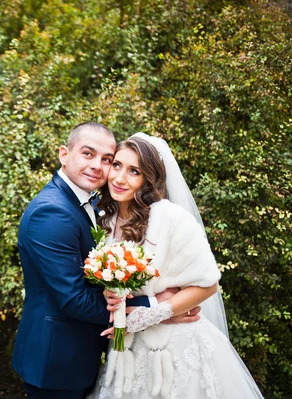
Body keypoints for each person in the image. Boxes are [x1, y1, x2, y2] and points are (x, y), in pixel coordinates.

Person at [12, 123, 199, 399]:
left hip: (80, 357)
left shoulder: (96, 206)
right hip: (56, 362)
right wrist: (158, 309)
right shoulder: (52, 212)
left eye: (107, 159)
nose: (97, 166)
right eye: (87, 153)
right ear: (64, 154)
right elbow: (75, 299)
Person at [89, 133, 263, 399]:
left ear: (148, 179)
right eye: (117, 165)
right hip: (127, 351)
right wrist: (112, 295)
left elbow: (207, 284)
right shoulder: (106, 221)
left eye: (133, 171)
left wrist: (151, 312)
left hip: (175, 350)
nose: (120, 178)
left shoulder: (170, 217)